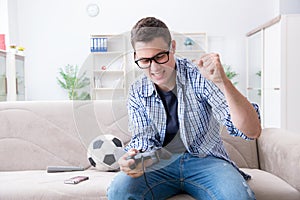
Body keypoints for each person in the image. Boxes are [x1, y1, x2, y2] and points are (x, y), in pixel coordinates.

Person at [107, 17, 261, 200]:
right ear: (135, 57)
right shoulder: (137, 91)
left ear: (172, 47)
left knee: (237, 197)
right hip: (158, 164)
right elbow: (144, 140)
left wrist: (223, 82)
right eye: (145, 61)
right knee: (119, 190)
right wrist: (136, 160)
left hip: (206, 162)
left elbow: (252, 131)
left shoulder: (201, 76)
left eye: (160, 57)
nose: (154, 68)